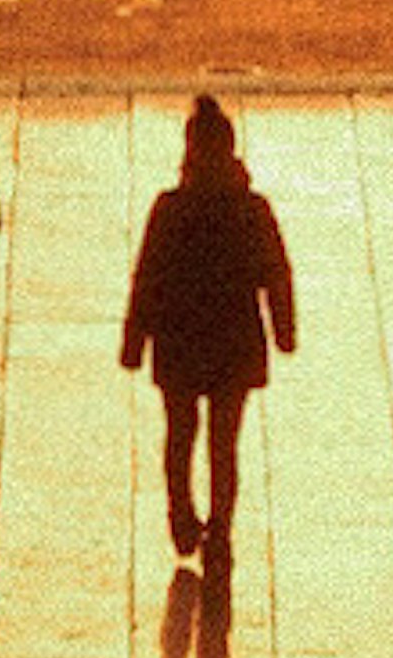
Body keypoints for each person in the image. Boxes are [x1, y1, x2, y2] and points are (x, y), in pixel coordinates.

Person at [120, 94, 296, 577]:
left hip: (179, 339)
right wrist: (283, 331)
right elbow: (276, 272)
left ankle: (182, 513)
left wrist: (135, 340)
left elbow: (148, 276)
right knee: (225, 442)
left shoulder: (171, 207)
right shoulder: (253, 208)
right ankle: (220, 525)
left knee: (180, 433)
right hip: (235, 341)